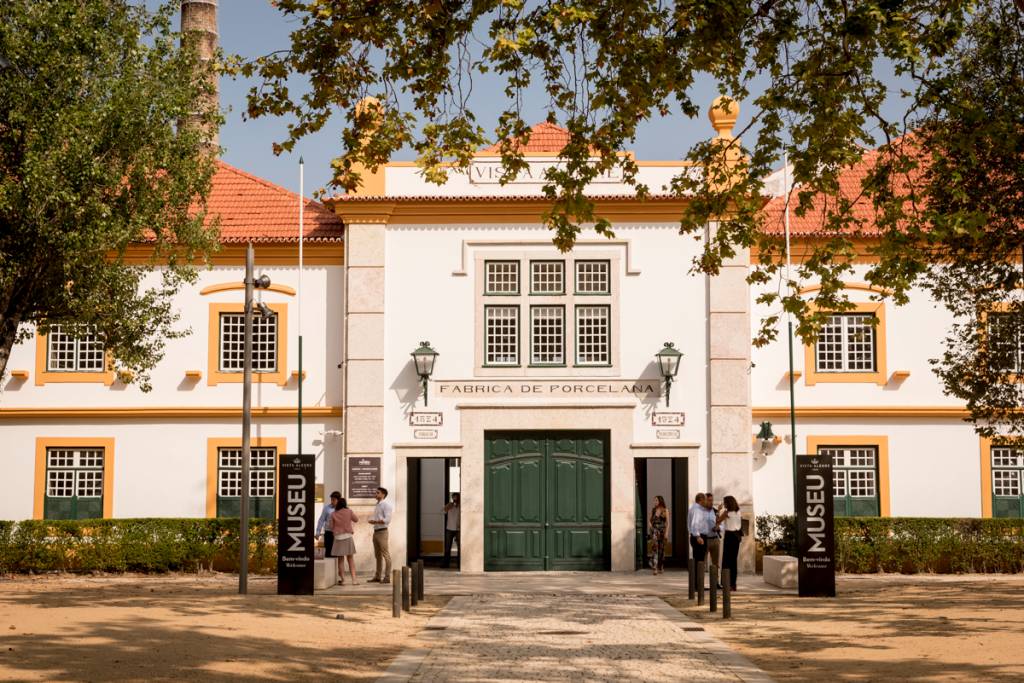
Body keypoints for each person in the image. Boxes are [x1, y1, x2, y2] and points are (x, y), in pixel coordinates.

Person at [328, 497, 358, 584]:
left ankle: (343, 580)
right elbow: (356, 520)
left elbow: (330, 526)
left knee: (340, 560)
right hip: (348, 537)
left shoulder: (333, 514)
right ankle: (354, 580)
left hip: (338, 538)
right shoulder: (349, 511)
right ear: (345, 504)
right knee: (350, 559)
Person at [367, 487, 393, 583]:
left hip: (382, 532)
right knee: (377, 555)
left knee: (386, 555)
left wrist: (376, 521)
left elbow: (387, 519)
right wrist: (374, 522)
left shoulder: (386, 505)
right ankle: (377, 576)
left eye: (377, 493)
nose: (375, 494)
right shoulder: (377, 505)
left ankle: (387, 577)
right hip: (376, 531)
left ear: (383, 494)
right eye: (376, 492)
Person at [719, 495, 742, 591]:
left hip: (729, 536)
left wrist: (718, 510)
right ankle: (733, 584)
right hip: (737, 536)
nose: (724, 504)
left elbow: (718, 520)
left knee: (726, 560)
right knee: (733, 561)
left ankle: (726, 583)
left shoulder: (727, 513)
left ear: (728, 503)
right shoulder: (738, 512)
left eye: (725, 502)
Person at [315, 491, 340, 559]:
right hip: (329, 533)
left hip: (339, 534)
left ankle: (336, 569)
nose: (332, 501)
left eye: (334, 500)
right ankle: (328, 569)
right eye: (331, 499)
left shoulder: (342, 509)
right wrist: (318, 532)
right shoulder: (327, 508)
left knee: (338, 554)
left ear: (338, 500)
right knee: (328, 554)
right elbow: (321, 520)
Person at [649, 495, 669, 575]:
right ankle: (655, 568)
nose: (655, 502)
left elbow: (667, 523)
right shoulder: (653, 510)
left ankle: (661, 566)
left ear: (660, 501)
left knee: (661, 550)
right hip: (655, 531)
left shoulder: (665, 510)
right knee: (655, 548)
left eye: (656, 500)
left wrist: (667, 532)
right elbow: (649, 520)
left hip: (662, 531)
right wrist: (651, 527)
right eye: (654, 500)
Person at [687, 492, 708, 564]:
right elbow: (695, 524)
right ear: (701, 500)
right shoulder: (697, 509)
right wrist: (698, 537)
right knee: (699, 560)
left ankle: (697, 575)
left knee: (698, 559)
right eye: (705, 500)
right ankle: (698, 575)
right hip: (699, 537)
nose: (706, 502)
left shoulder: (694, 508)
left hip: (696, 536)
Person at [442, 492, 461, 569]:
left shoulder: (461, 506)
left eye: (456, 497)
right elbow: (442, 512)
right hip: (449, 528)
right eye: (453, 497)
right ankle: (446, 564)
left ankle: (459, 565)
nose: (455, 499)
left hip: (458, 529)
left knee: (460, 547)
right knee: (447, 547)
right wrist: (448, 507)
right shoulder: (449, 505)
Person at [704, 492, 721, 573]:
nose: (711, 502)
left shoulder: (715, 511)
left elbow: (721, 524)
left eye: (712, 500)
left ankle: (715, 583)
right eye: (709, 500)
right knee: (702, 564)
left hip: (715, 540)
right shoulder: (700, 512)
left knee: (715, 563)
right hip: (704, 539)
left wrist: (718, 527)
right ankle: (701, 584)